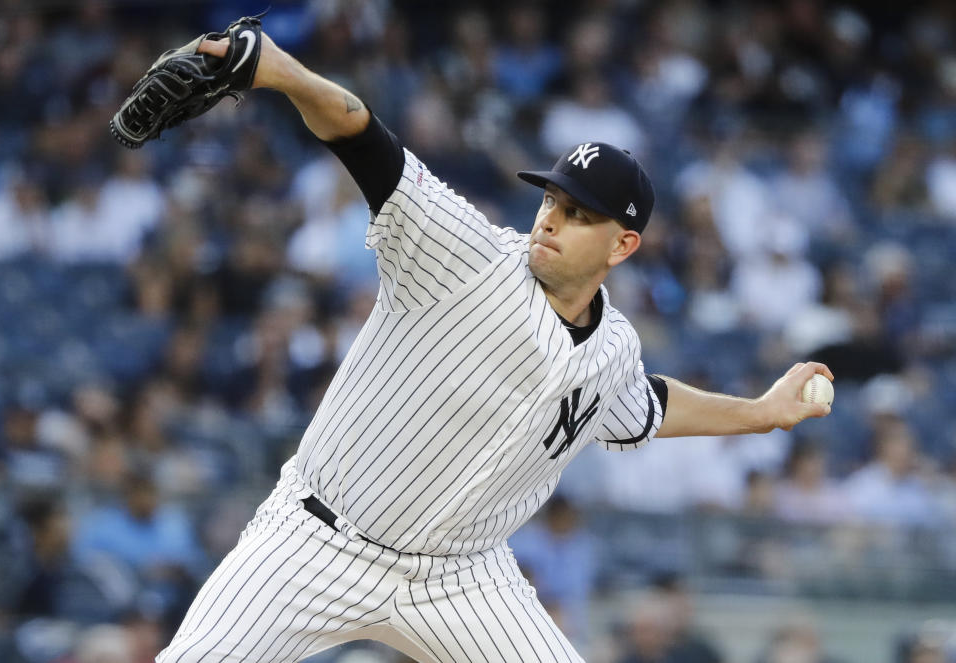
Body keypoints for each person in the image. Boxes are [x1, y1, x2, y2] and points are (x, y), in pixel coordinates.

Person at [156, 28, 833, 663]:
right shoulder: (465, 252)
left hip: (460, 579)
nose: (551, 219)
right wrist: (279, 70)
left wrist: (762, 412)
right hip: (316, 540)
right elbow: (366, 140)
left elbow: (645, 404)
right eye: (551, 200)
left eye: (578, 214)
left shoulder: (613, 348)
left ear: (624, 245)